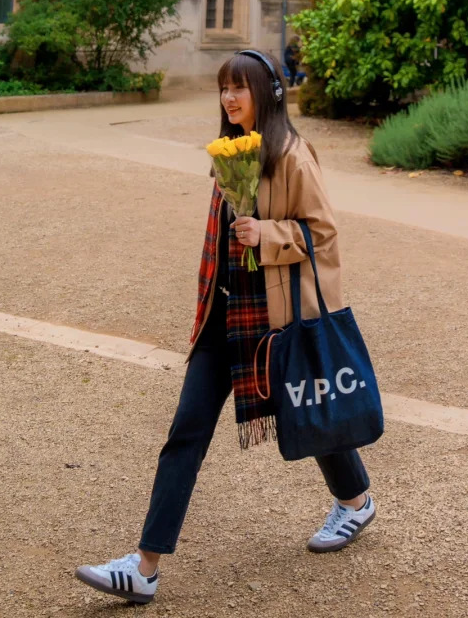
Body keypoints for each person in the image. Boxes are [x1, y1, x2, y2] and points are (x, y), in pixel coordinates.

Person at [75, 48, 376, 605]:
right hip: (225, 316)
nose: (229, 98)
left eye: (239, 88)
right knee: (186, 432)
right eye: (224, 88)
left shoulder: (292, 156)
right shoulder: (230, 151)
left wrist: (268, 234)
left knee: (305, 411)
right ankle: (144, 567)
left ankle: (355, 501)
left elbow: (324, 234)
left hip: (276, 317)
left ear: (267, 93)